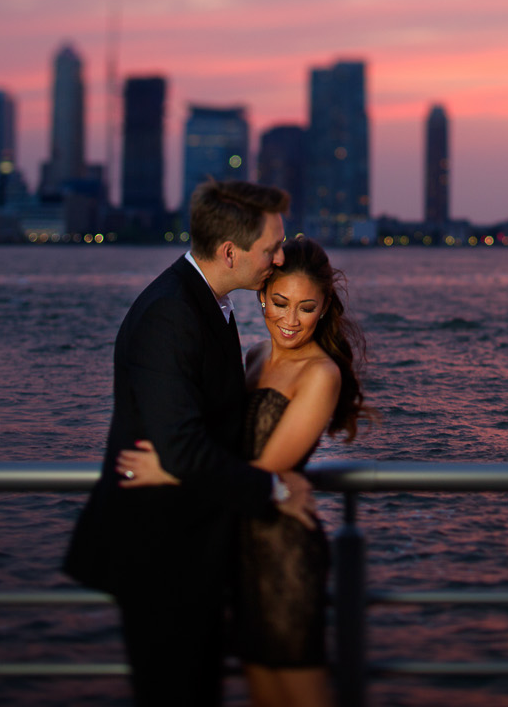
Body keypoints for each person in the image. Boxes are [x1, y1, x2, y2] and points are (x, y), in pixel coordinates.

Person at [63, 180, 317, 707]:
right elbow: (181, 446)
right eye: (272, 246)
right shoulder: (171, 313)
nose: (280, 256)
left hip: (190, 550)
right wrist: (274, 491)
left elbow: (192, 443)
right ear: (230, 252)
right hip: (161, 557)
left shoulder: (205, 303)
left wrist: (178, 466)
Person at [118, 236, 369, 707]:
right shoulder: (252, 356)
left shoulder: (320, 375)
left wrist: (169, 471)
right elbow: (217, 439)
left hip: (283, 549)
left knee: (302, 691)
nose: (291, 320)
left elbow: (263, 469)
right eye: (280, 302)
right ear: (261, 294)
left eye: (306, 307)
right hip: (236, 546)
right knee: (264, 694)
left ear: (324, 307)